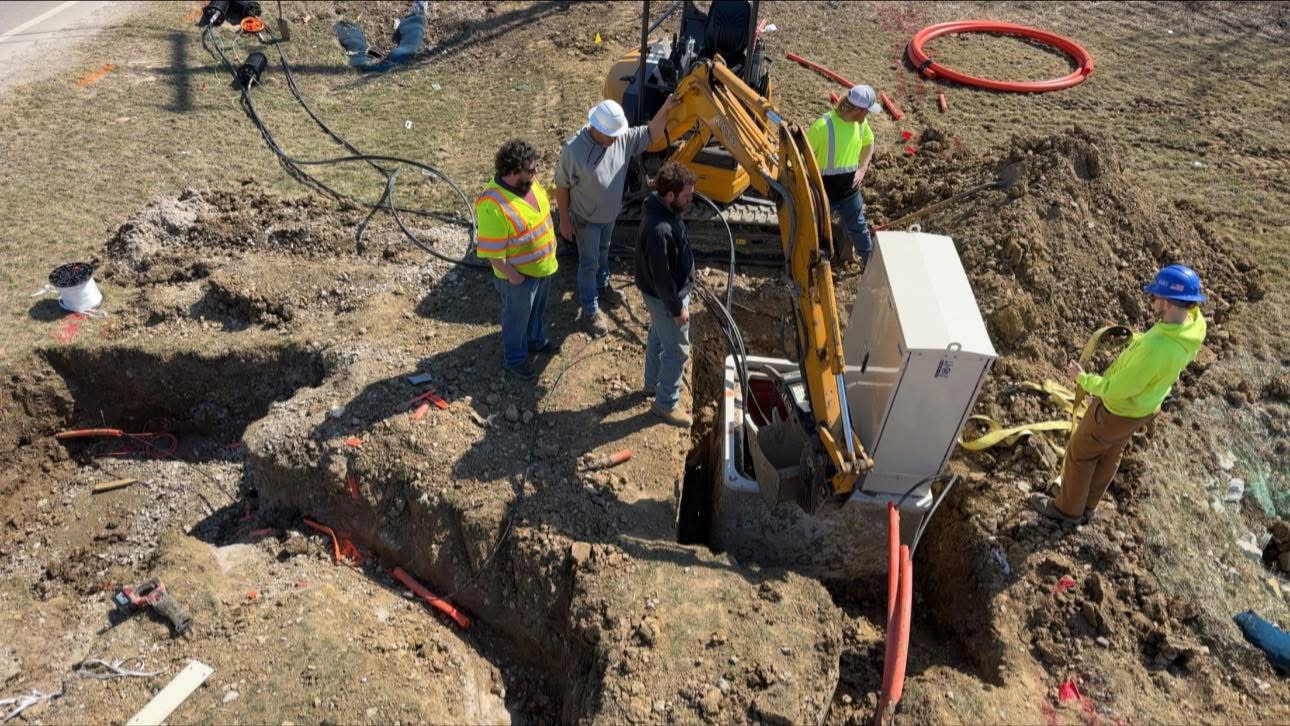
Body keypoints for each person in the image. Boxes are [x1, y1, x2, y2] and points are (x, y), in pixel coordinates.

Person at [1034, 265, 1209, 526]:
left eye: (1156, 297)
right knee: (1110, 454)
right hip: (1142, 410)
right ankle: (1088, 507)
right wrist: (1133, 339)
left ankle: (1067, 511)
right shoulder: (1191, 327)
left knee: (1081, 453)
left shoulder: (1156, 348)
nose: (1152, 302)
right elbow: (1157, 344)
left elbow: (1117, 388)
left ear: (1169, 303)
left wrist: (1082, 378)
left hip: (1116, 409)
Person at [555, 95, 679, 337]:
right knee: (589, 262)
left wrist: (665, 108)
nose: (615, 139)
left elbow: (651, 133)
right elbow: (562, 185)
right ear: (597, 128)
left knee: (604, 252)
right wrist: (565, 220)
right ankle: (590, 310)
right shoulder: (574, 150)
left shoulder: (619, 138)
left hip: (609, 216)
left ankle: (603, 286)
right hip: (586, 219)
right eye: (610, 136)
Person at [475, 140, 558, 380]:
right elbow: (493, 254)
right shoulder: (493, 204)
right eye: (530, 170)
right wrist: (515, 277)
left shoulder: (528, 183)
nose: (536, 174)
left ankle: (535, 341)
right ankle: (515, 359)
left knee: (536, 312)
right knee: (516, 320)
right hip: (520, 279)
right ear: (511, 172)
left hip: (543, 268)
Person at [634, 161, 697, 428]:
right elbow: (662, 277)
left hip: (660, 294)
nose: (690, 199)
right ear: (670, 196)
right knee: (677, 349)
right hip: (665, 298)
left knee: (658, 334)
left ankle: (652, 384)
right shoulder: (659, 231)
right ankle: (665, 404)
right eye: (686, 196)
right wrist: (676, 308)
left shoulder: (662, 210)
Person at [805, 84, 881, 264]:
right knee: (814, 231)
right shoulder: (823, 127)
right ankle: (811, 263)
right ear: (858, 109)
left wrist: (862, 168)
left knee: (859, 228)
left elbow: (869, 143)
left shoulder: (861, 124)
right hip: (823, 194)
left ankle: (869, 265)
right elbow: (801, 155)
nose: (868, 116)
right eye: (867, 112)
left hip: (849, 192)